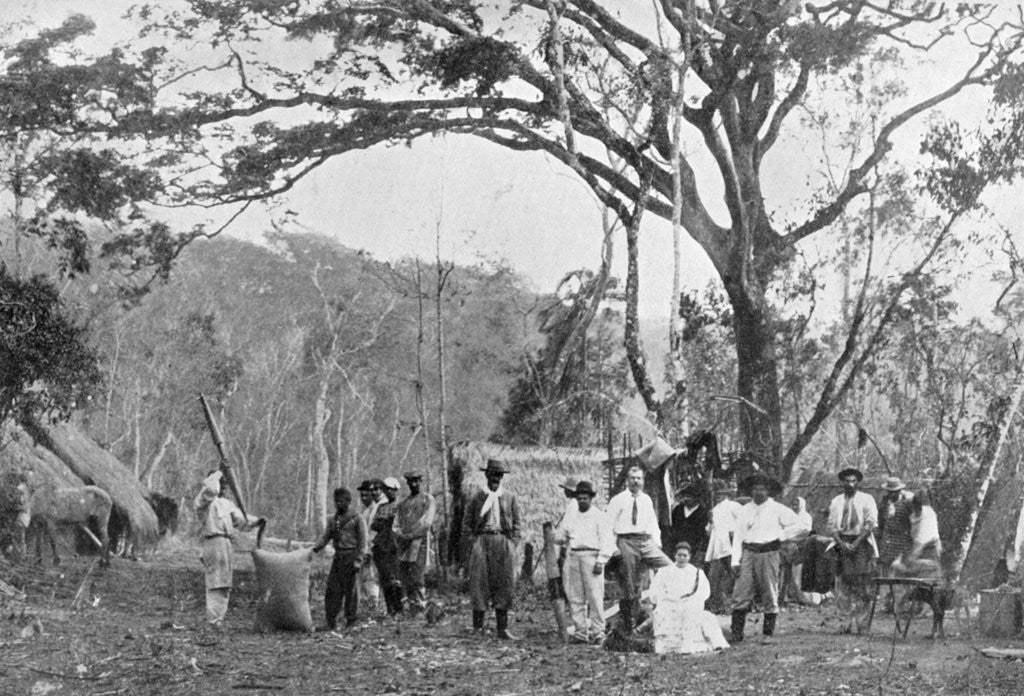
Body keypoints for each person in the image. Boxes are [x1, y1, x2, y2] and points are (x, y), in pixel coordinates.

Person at [730, 472, 810, 643]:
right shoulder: (744, 510)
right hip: (748, 552)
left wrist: (780, 535)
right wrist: (735, 560)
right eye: (755, 489)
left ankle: (768, 633)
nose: (759, 492)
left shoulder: (778, 509)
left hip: (769, 552)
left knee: (769, 590)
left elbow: (802, 526)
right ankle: (737, 632)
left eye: (763, 489)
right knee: (741, 591)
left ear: (769, 491)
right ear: (751, 490)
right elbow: (738, 536)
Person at [604, 465, 671, 633]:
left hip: (645, 541)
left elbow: (653, 523)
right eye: (633, 478)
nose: (636, 481)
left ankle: (666, 608)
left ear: (643, 481)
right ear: (627, 480)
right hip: (626, 541)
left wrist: (656, 543)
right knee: (629, 582)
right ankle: (630, 624)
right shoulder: (618, 500)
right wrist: (613, 548)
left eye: (639, 478)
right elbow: (608, 526)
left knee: (669, 567)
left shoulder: (646, 499)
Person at [193, 470, 262, 628]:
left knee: (224, 584)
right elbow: (210, 490)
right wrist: (218, 472)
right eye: (221, 484)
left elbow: (241, 520)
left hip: (226, 544)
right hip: (213, 543)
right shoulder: (203, 502)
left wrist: (256, 521)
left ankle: (218, 620)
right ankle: (213, 620)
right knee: (215, 583)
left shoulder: (226, 504)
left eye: (225, 485)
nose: (223, 488)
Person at [464, 459, 521, 639]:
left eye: (499, 475)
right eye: (492, 474)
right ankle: (478, 628)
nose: (495, 478)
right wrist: (473, 542)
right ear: (486, 475)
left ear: (502, 477)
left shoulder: (509, 497)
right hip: (482, 540)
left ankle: (502, 629)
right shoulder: (477, 497)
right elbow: (466, 524)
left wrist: (513, 542)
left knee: (504, 582)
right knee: (479, 582)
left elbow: (517, 523)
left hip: (502, 541)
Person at [555, 480, 611, 644]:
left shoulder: (599, 516)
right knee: (575, 597)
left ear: (591, 498)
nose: (582, 501)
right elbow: (561, 536)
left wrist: (601, 561)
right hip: (574, 556)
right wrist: (555, 535)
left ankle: (598, 632)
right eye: (579, 498)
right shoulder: (571, 515)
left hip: (592, 557)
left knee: (595, 597)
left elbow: (607, 541)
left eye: (585, 498)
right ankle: (580, 632)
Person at [649, 542, 730, 654]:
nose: (682, 558)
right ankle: (670, 647)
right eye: (679, 555)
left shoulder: (696, 572)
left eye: (685, 555)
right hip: (670, 602)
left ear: (689, 556)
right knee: (664, 610)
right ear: (674, 555)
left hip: (689, 602)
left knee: (699, 614)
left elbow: (703, 592)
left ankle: (693, 645)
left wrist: (690, 600)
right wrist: (669, 599)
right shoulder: (664, 572)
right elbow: (656, 591)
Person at [826, 467, 878, 634]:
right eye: (847, 481)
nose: (850, 484)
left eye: (853, 481)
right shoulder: (836, 501)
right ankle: (844, 623)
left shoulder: (867, 499)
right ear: (842, 482)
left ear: (858, 482)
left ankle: (862, 624)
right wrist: (841, 543)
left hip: (860, 543)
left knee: (862, 584)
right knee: (842, 584)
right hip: (842, 542)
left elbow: (870, 524)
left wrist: (855, 543)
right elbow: (832, 526)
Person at [312, 487, 368, 630]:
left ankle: (351, 621)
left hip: (352, 556)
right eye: (336, 501)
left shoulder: (357, 518)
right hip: (338, 557)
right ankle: (331, 622)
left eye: (342, 501)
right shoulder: (333, 520)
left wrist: (359, 560)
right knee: (332, 589)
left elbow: (363, 542)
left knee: (352, 591)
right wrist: (314, 549)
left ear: (348, 502)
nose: (339, 504)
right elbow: (325, 537)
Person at [393, 472, 437, 616]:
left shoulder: (427, 499)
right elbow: (396, 524)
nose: (413, 484)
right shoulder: (403, 503)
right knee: (405, 575)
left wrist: (412, 534)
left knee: (417, 575)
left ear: (420, 481)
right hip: (405, 543)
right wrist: (400, 534)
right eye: (410, 481)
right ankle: (409, 607)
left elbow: (426, 522)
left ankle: (420, 606)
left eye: (416, 481)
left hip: (419, 542)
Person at [704, 486, 743, 613]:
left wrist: (735, 533)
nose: (719, 496)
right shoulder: (714, 510)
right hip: (717, 548)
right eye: (717, 494)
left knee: (734, 575)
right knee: (714, 576)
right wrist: (710, 521)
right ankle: (719, 604)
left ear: (727, 494)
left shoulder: (733, 505)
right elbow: (709, 532)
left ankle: (736, 604)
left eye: (722, 493)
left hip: (730, 545)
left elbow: (744, 520)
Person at [892, 489, 942, 579]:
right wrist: (899, 492)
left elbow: (918, 548)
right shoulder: (913, 503)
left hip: (928, 551)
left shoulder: (926, 521)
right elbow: (907, 494)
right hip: (918, 548)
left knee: (920, 579)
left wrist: (902, 563)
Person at [372, 477, 404, 616]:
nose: (390, 492)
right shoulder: (381, 507)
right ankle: (390, 607)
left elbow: (400, 525)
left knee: (396, 578)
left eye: (393, 490)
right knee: (385, 578)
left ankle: (399, 607)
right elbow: (374, 525)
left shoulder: (400, 506)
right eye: (387, 490)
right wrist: (383, 524)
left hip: (395, 545)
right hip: (382, 545)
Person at [780, 497, 817, 605]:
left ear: (801, 505)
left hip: (800, 547)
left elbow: (805, 531)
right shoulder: (789, 517)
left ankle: (807, 599)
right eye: (793, 504)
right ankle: (784, 597)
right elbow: (783, 530)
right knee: (784, 573)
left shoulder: (806, 517)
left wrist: (789, 534)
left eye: (797, 504)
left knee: (798, 575)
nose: (794, 507)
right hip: (787, 547)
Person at [357, 480, 383, 615]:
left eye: (366, 495)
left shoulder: (375, 509)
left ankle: (374, 603)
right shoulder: (365, 511)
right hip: (364, 548)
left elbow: (372, 532)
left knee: (371, 577)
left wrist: (369, 550)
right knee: (365, 577)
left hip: (372, 549)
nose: (364, 498)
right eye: (362, 495)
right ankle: (368, 603)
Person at [876, 476, 913, 572]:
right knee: (885, 567)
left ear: (900, 491)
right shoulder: (884, 503)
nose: (892, 494)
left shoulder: (907, 503)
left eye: (894, 492)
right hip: (887, 542)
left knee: (900, 569)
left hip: (902, 541)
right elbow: (880, 523)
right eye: (890, 492)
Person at [668, 484, 709, 565]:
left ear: (696, 498)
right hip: (677, 548)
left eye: (689, 496)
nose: (686, 499)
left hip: (694, 550)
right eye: (684, 496)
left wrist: (699, 551)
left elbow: (703, 534)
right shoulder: (678, 510)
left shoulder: (702, 512)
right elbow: (672, 529)